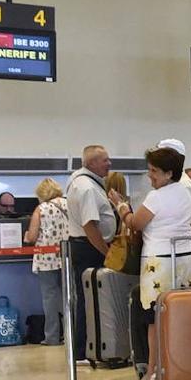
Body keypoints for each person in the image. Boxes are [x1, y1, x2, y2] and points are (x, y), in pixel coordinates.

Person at [109, 147, 191, 380]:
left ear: (168, 173)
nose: (150, 176)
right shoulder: (185, 192)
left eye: (153, 172)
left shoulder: (156, 197)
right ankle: (182, 365)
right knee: (180, 313)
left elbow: (135, 223)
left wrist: (121, 207)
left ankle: (153, 370)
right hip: (184, 260)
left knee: (154, 317)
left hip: (157, 261)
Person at [65, 144, 116, 362]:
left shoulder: (85, 183)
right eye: (105, 160)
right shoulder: (86, 187)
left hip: (87, 246)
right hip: (89, 247)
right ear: (92, 163)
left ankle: (88, 347)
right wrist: (107, 253)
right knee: (88, 299)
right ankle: (82, 350)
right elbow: (90, 226)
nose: (109, 164)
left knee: (89, 298)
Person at [23, 178, 70, 345]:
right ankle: (72, 334)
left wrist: (26, 236)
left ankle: (52, 337)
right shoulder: (69, 204)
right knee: (70, 296)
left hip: (46, 259)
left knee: (50, 298)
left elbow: (32, 236)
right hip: (67, 256)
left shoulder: (41, 209)